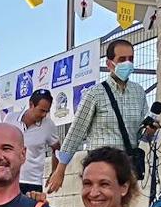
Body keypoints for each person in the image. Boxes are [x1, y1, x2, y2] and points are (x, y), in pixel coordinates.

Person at [46, 39, 149, 195]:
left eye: (131, 59)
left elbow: (141, 135)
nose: (127, 63)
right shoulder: (95, 94)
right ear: (109, 64)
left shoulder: (139, 92)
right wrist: (60, 170)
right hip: (100, 168)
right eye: (122, 59)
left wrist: (150, 132)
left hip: (126, 169)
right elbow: (76, 132)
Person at [3, 89, 61, 196]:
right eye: (42, 110)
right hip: (9, 180)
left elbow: (57, 149)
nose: (44, 115)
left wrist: (55, 172)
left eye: (47, 111)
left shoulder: (48, 125)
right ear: (31, 104)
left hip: (33, 183)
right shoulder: (9, 119)